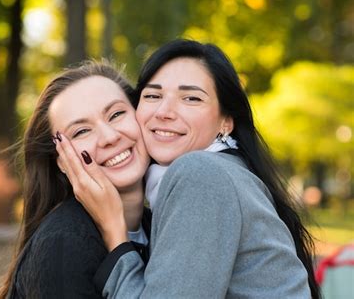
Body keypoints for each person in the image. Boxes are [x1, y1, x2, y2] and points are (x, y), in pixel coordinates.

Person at [55, 39, 320, 298]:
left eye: (191, 98)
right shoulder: (227, 173)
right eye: (153, 95)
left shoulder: (201, 174)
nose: (164, 111)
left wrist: (115, 232)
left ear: (226, 122)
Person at [0, 61, 151, 299]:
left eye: (117, 114)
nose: (109, 137)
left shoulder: (162, 224)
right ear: (61, 161)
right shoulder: (63, 243)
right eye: (81, 131)